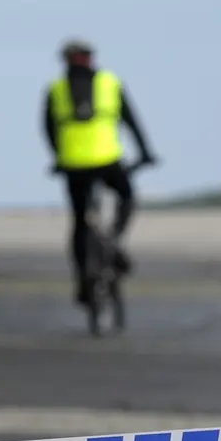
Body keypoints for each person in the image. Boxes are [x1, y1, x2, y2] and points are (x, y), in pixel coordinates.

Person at [42, 38, 158, 306]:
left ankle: (83, 278)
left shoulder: (56, 89)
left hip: (73, 164)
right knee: (126, 195)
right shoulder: (110, 83)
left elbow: (48, 128)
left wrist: (58, 157)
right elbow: (131, 122)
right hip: (108, 160)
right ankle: (114, 238)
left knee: (80, 223)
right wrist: (145, 153)